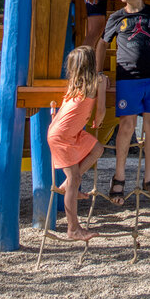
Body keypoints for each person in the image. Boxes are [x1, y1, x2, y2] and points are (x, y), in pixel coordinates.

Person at [96, 0, 150, 204]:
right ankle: (118, 177)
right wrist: (99, 72)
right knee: (126, 126)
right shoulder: (116, 17)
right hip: (127, 77)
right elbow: (101, 44)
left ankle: (149, 179)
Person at [47, 45, 106, 240]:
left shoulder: (75, 84)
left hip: (67, 132)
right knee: (74, 180)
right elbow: (101, 110)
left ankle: (68, 184)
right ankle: (73, 229)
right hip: (62, 136)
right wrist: (104, 88)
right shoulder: (95, 85)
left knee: (97, 149)